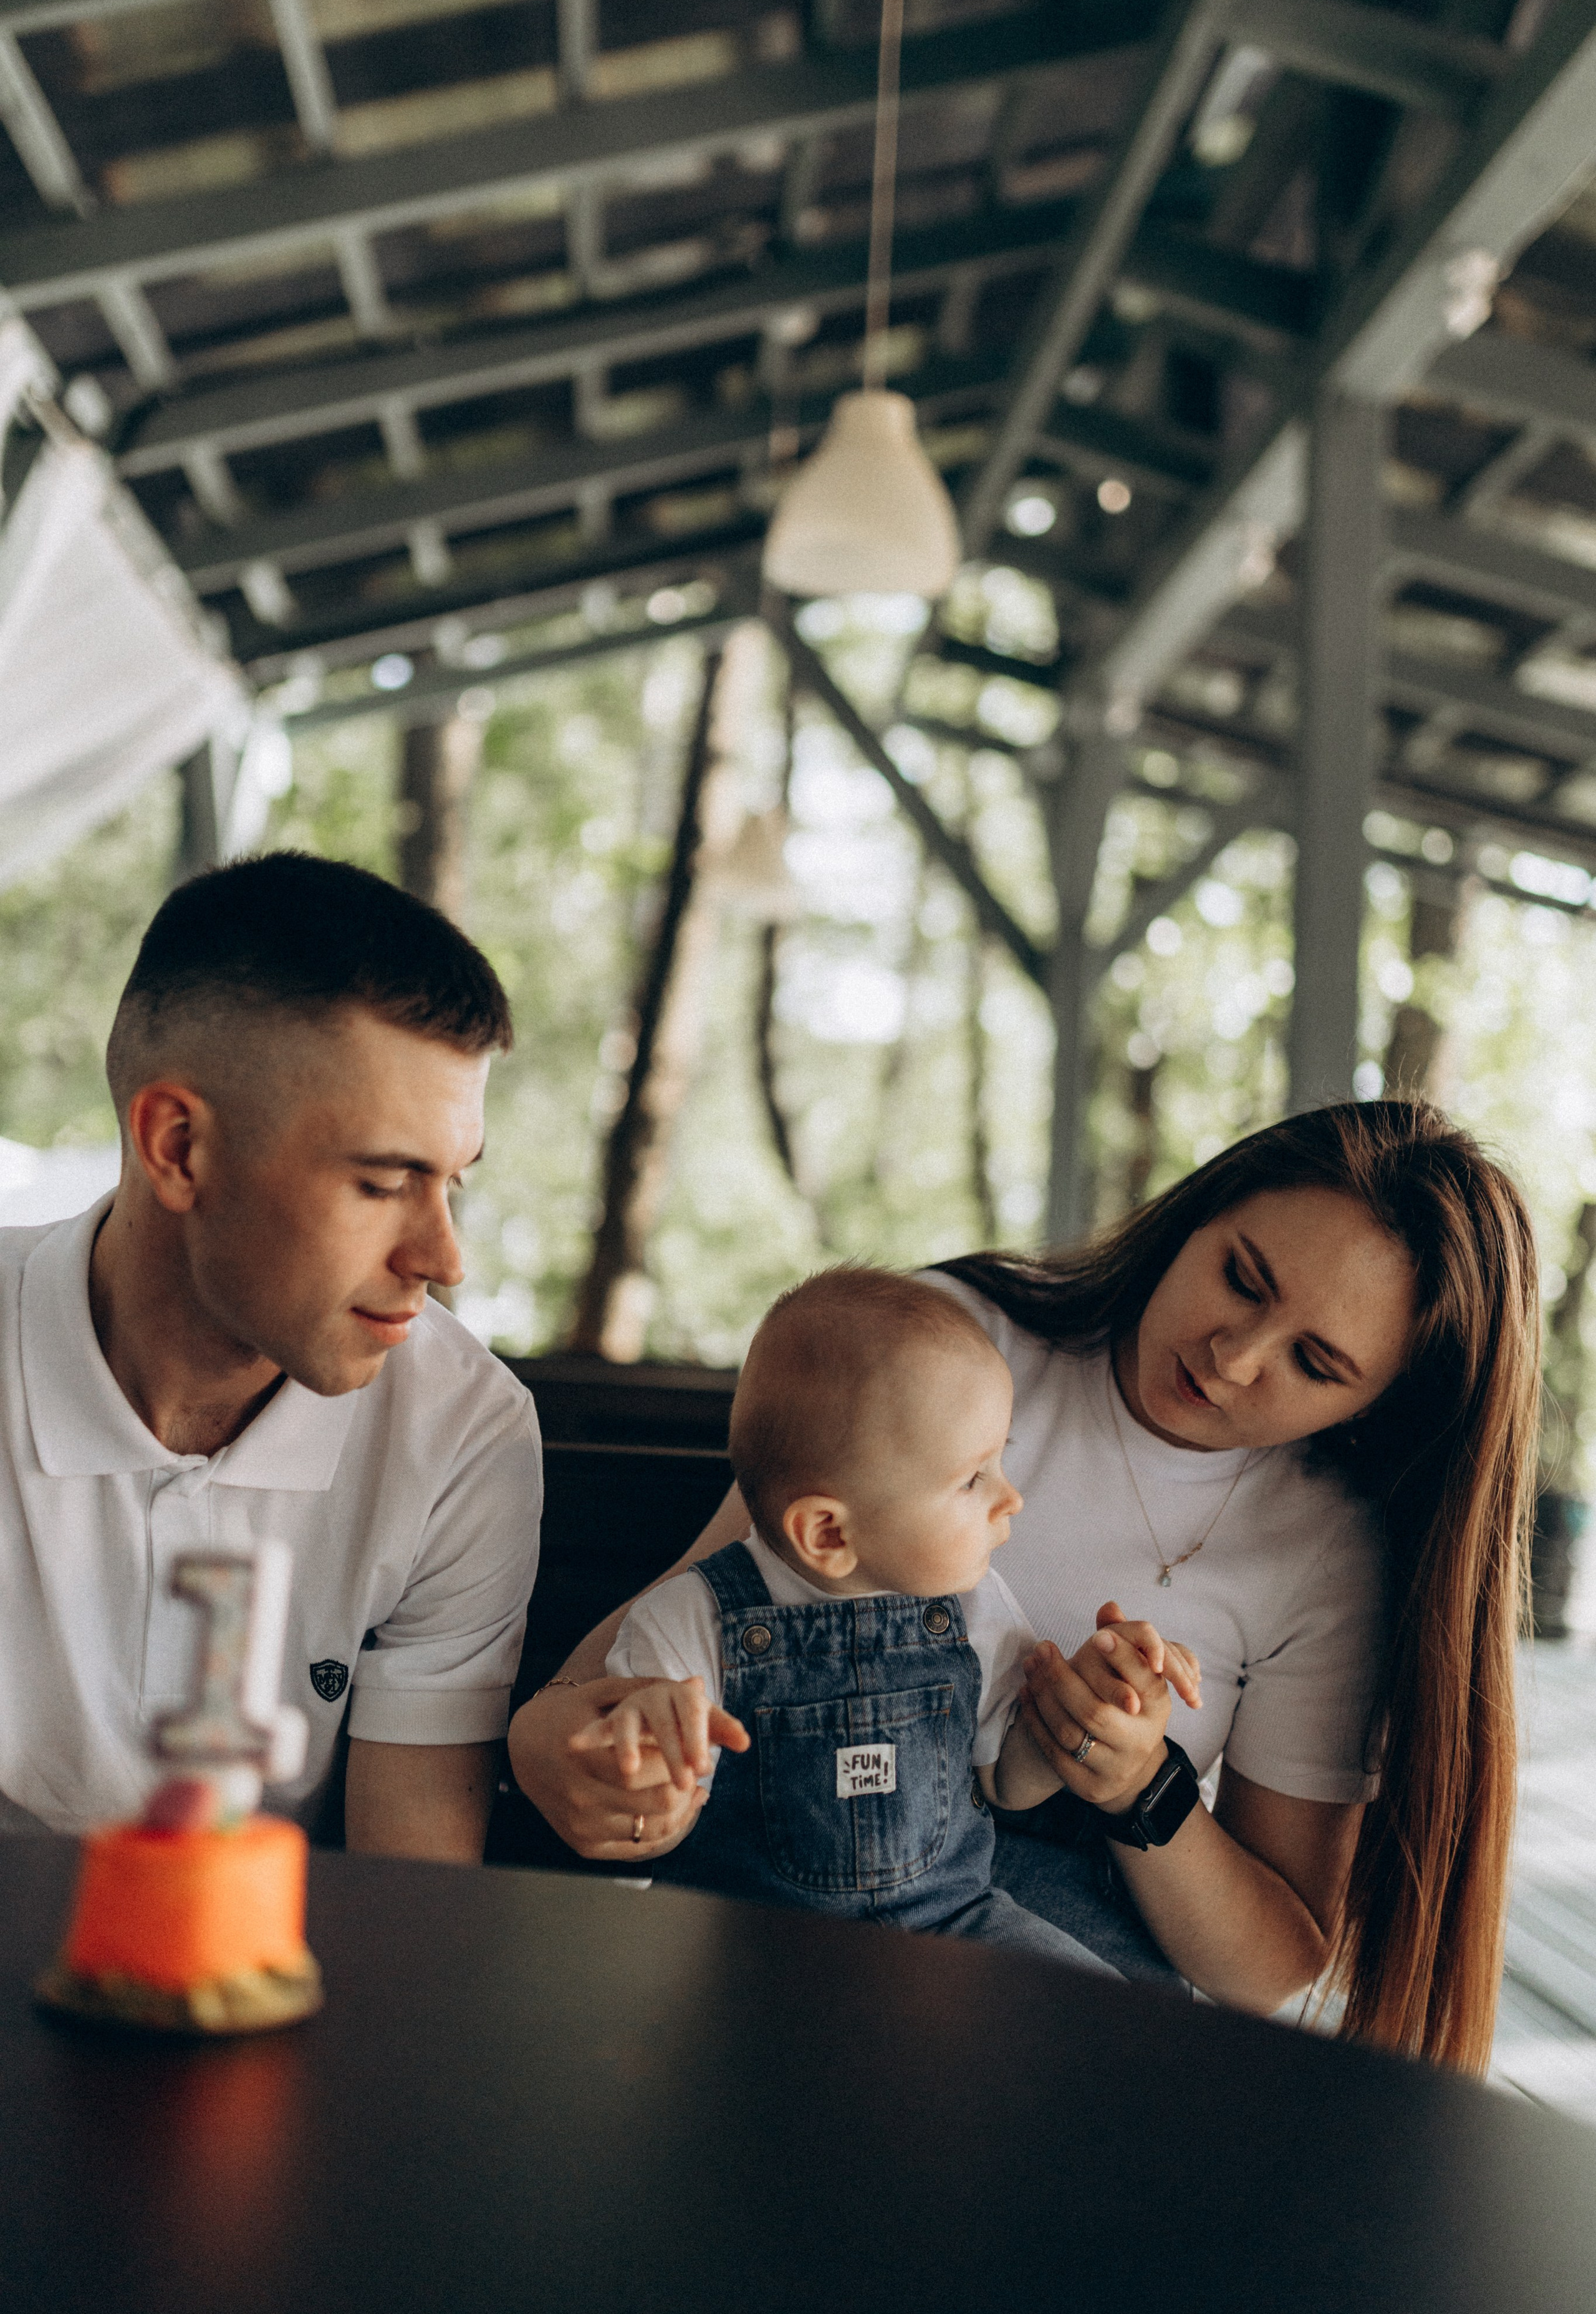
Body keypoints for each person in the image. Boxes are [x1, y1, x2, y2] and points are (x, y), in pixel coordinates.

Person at [508, 1101, 1539, 2071]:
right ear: (1196, 1214)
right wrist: (563, 1751)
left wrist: (1142, 1785)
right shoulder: (951, 1346)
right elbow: (692, 1618)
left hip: (1060, 1920)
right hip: (766, 1869)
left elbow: (1271, 1965)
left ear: (1373, 1406)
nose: (1233, 1359)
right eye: (1242, 1277)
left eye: (1315, 1362)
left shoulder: (1329, 1549)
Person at [0, 851, 542, 1860]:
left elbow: (409, 1886)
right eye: (384, 1182)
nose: (444, 1259)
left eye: (453, 1183)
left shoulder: (465, 1431)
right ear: (179, 1148)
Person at [579, 1268, 1170, 1968]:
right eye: (973, 1478)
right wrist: (646, 1764)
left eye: (999, 1462)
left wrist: (1090, 1704)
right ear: (828, 1535)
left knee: (1111, 2027)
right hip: (740, 1944)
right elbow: (636, 1832)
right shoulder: (688, 1625)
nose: (1010, 1499)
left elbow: (1006, 1784)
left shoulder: (975, 1611)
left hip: (954, 1922)